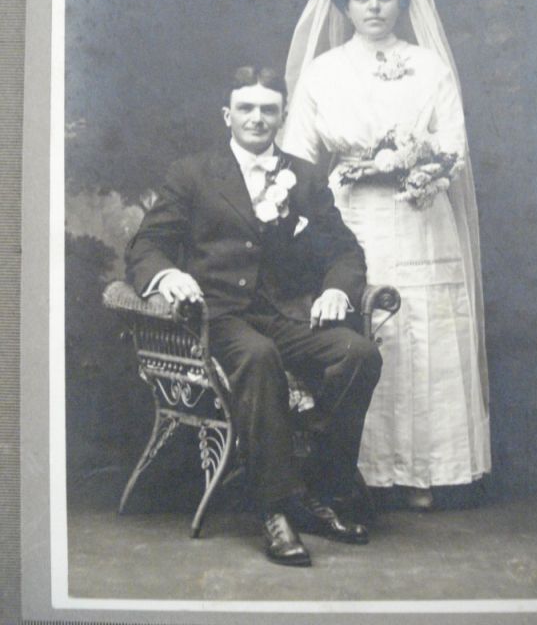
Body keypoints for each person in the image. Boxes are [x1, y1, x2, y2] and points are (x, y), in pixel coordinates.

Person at [126, 66, 382, 567]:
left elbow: (345, 250)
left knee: (359, 354)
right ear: (228, 115)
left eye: (268, 109)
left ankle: (321, 490)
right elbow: (147, 245)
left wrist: (334, 290)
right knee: (259, 357)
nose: (257, 118)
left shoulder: (305, 176)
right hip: (217, 316)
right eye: (246, 108)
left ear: (282, 115)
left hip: (287, 313)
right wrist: (168, 277)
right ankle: (274, 509)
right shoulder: (192, 173)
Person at [282, 0, 491, 510]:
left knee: (421, 331)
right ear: (344, 5)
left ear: (402, 2)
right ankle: (361, 470)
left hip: (421, 217)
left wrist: (413, 162)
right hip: (354, 220)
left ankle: (424, 472)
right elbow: (298, 155)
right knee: (370, 330)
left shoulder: (430, 66)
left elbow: (455, 148)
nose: (374, 8)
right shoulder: (323, 72)